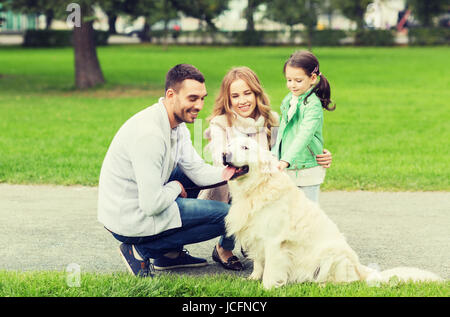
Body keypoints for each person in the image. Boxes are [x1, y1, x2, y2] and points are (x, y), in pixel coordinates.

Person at [97, 64, 244, 277]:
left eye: (202, 98)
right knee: (229, 217)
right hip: (128, 217)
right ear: (171, 95)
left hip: (144, 200)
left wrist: (232, 172)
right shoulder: (150, 135)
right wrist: (175, 187)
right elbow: (152, 204)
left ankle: (169, 256)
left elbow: (196, 169)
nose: (199, 105)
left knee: (185, 175)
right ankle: (140, 251)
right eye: (192, 98)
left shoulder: (176, 124)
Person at [199, 66, 332, 203]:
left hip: (264, 194)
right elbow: (218, 158)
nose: (243, 100)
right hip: (228, 195)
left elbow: (285, 151)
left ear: (256, 94)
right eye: (235, 96)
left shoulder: (271, 120)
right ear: (228, 99)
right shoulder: (220, 123)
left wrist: (317, 153)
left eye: (247, 93)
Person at [271, 50, 336, 203]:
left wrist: (286, 160)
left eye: (298, 80)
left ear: (312, 78)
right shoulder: (289, 99)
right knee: (288, 211)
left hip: (307, 167)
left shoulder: (313, 105)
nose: (292, 85)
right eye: (289, 80)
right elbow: (282, 131)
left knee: (308, 212)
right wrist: (275, 155)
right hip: (289, 167)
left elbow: (304, 135)